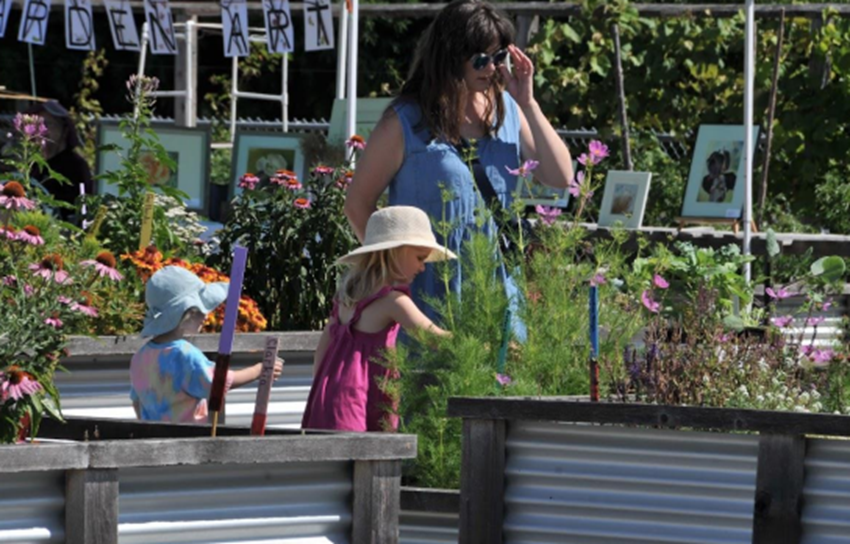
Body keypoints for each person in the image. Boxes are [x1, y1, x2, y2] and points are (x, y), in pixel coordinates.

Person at [344, 0, 573, 325]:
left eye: (498, 58)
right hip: (428, 296)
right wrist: (392, 270)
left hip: (498, 289)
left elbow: (560, 176)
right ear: (450, 57)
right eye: (481, 60)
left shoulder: (508, 108)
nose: (492, 69)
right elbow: (357, 204)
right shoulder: (406, 121)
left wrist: (529, 103)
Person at [301, 206, 456, 432]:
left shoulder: (345, 299)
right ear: (395, 253)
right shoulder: (393, 301)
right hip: (359, 399)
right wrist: (483, 342)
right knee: (370, 459)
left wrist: (324, 387)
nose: (423, 267)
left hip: (330, 396)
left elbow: (322, 351)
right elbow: (434, 338)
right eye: (420, 257)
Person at [130, 266, 283, 424]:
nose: (205, 317)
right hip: (188, 441)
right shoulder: (184, 354)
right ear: (186, 315)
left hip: (154, 441)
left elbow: (136, 401)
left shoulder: (140, 357)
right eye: (199, 312)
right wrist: (259, 370)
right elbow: (218, 382)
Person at [27, 100, 94, 219]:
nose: (41, 130)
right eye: (37, 125)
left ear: (64, 130)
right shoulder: (35, 164)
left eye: (47, 124)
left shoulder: (75, 166)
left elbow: (79, 210)